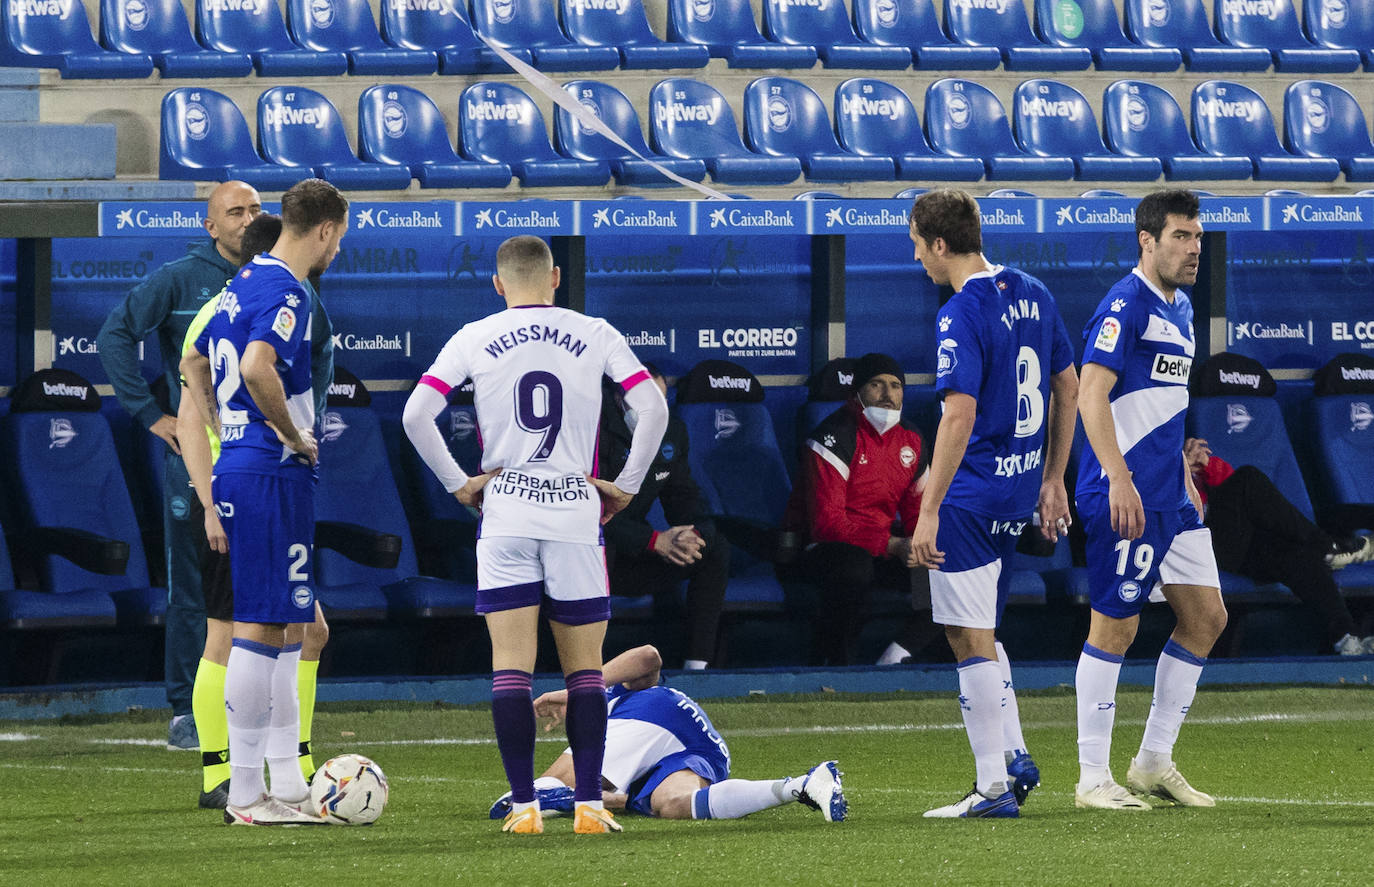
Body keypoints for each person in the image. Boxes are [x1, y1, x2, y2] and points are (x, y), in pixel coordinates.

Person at [403, 235, 669, 836]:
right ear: (555, 279)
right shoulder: (594, 330)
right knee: (584, 670)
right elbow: (652, 409)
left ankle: (524, 807)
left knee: (511, 667)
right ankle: (590, 809)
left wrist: (459, 484)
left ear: (498, 285)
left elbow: (415, 414)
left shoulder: (473, 336)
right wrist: (623, 486)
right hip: (575, 506)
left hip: (507, 509)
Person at [906, 189, 1079, 819]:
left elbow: (959, 413)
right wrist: (1054, 476)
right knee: (981, 625)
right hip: (1019, 487)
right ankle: (1014, 756)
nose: (918, 258)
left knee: (964, 635)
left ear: (941, 244)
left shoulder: (959, 311)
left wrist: (930, 508)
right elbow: (1068, 383)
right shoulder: (1033, 290)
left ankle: (991, 788)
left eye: (918, 245)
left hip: (973, 494)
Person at [182, 178, 349, 825]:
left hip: (245, 468)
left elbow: (195, 361)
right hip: (270, 472)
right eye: (340, 239)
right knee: (258, 626)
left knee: (284, 626)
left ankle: (283, 785)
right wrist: (289, 433)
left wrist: (226, 426)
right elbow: (256, 366)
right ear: (326, 231)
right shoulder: (287, 288)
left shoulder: (241, 282)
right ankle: (248, 794)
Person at [1073, 189, 1226, 812]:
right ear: (1147, 240)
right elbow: (1089, 395)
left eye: (1196, 237)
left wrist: (1183, 473)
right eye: (1181, 237)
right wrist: (1117, 475)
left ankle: (1152, 760)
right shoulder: (1123, 305)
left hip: (1170, 493)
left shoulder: (1182, 308)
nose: (1193, 249)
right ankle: (1091, 777)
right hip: (1124, 493)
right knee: (1117, 626)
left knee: (1207, 617)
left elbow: (1160, 404)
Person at [97, 181, 260, 750]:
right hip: (197, 459)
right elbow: (113, 333)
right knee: (192, 586)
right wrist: (150, 414)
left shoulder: (279, 280)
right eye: (234, 212)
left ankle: (249, 704)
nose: (247, 220)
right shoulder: (180, 278)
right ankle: (186, 709)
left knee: (258, 584)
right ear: (211, 227)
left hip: (262, 459)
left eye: (256, 209)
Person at [485, 645, 847, 823]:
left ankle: (536, 798)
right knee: (673, 805)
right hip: (706, 753)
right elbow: (619, 796)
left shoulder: (620, 696)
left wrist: (576, 690)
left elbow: (648, 656)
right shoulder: (617, 725)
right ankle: (802, 784)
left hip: (660, 711)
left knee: (544, 788)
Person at [781, 352, 931, 666]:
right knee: (854, 568)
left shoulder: (912, 440)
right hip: (820, 549)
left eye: (895, 386)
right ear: (856, 392)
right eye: (876, 385)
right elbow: (827, 523)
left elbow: (920, 513)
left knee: (949, 568)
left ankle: (894, 659)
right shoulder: (832, 436)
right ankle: (836, 666)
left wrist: (921, 545)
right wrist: (892, 545)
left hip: (883, 549)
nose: (888, 395)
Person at [1185, 437, 1373, 655]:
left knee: (1299, 555)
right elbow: (1170, 510)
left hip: (1246, 543)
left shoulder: (1187, 464)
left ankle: (1346, 638)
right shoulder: (1161, 471)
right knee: (1248, 476)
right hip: (1202, 543)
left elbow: (1231, 486)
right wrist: (1181, 470)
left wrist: (1207, 466)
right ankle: (1327, 546)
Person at [598, 363, 728, 670]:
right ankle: (584, 670)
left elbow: (683, 497)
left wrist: (692, 534)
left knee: (713, 548)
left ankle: (697, 670)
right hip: (586, 559)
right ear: (620, 399)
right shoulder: (589, 431)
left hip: (634, 556)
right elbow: (586, 512)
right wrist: (654, 540)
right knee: (598, 547)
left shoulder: (672, 432)